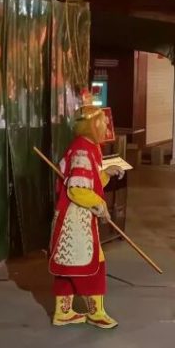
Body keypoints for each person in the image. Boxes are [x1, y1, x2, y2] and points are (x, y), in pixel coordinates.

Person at [49, 90, 126, 329]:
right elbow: (78, 189)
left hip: (70, 217)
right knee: (93, 264)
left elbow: (86, 181)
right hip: (77, 219)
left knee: (67, 265)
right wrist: (100, 206)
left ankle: (63, 312)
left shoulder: (84, 146)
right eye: (102, 123)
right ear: (92, 126)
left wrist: (105, 174)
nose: (106, 127)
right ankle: (96, 313)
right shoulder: (83, 149)